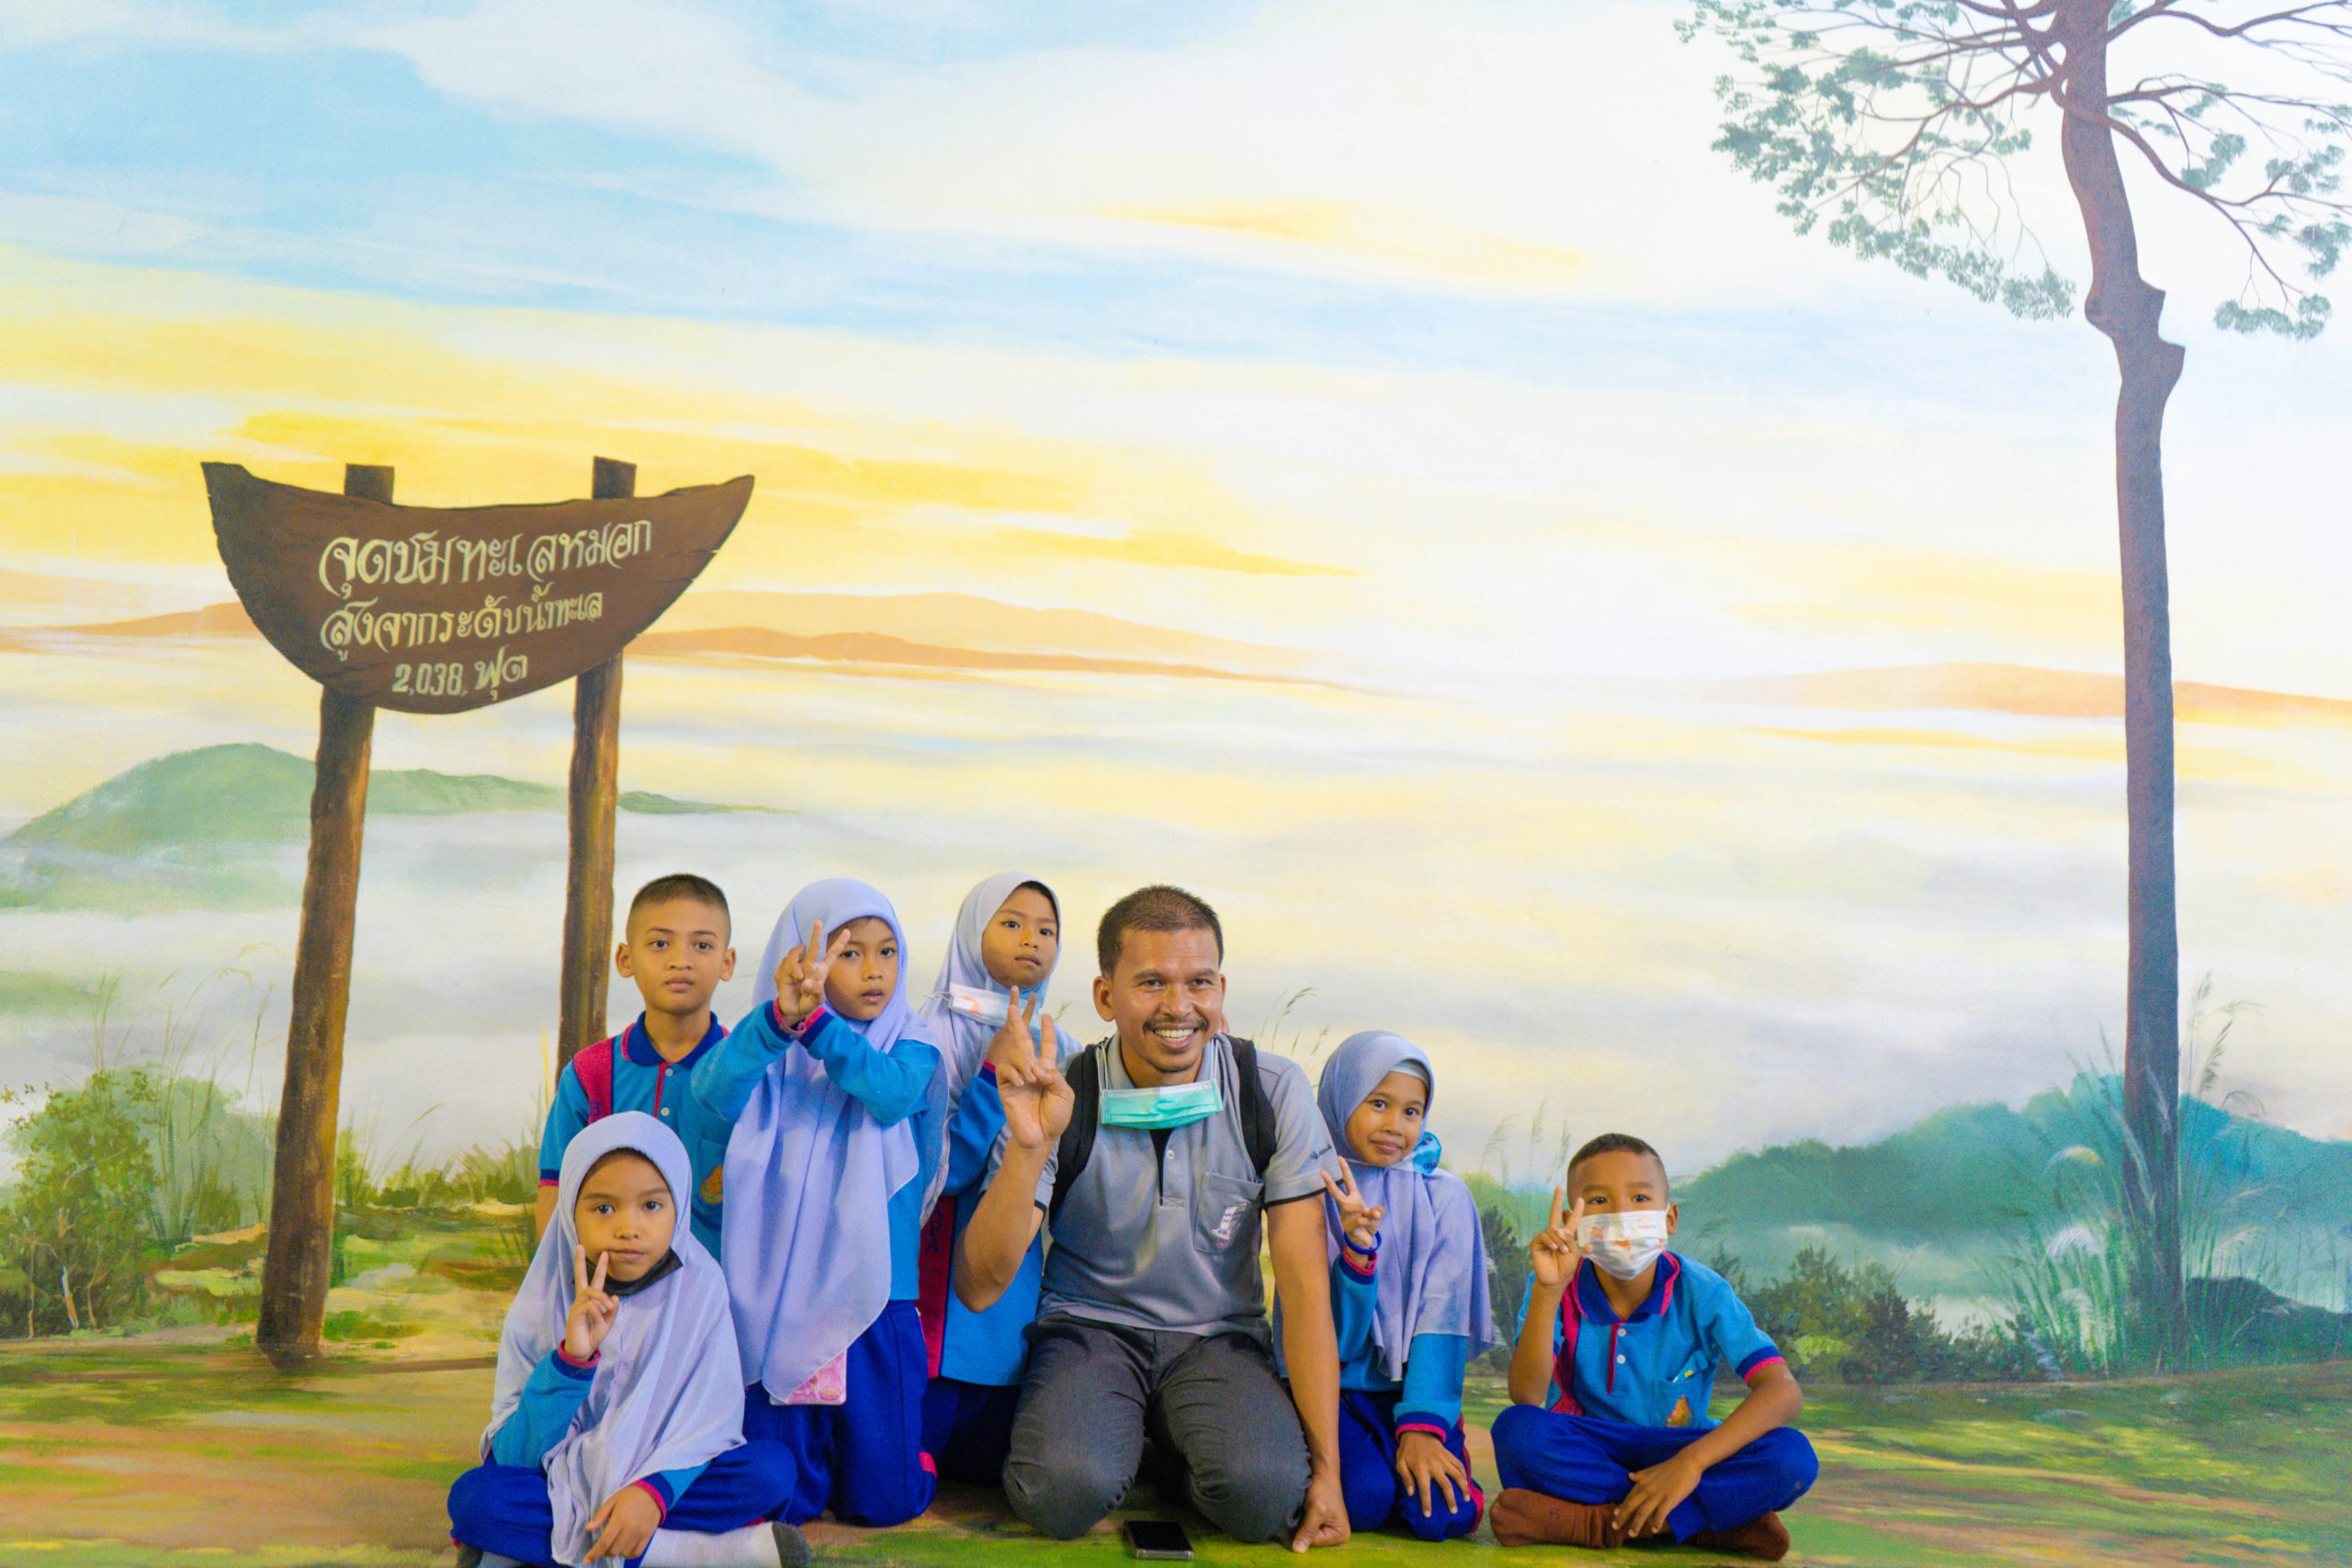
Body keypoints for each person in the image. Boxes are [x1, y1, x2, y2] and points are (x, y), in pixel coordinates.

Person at [955, 884, 1351, 1551]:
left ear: (1220, 989)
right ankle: (1116, 1435)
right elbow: (979, 1285)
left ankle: (1171, 1451)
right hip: (1090, 1330)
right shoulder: (1061, 1090)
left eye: (1199, 982)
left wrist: (1328, 1475)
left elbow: (1305, 1290)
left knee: (1263, 1500)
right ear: (1106, 996)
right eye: (1151, 982)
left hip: (1219, 1339)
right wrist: (1029, 1146)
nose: (1178, 1006)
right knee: (1060, 1495)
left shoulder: (1271, 1090)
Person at [447, 1112, 806, 1568]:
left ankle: (537, 1548)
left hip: (667, 1478)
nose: (628, 1228)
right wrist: (571, 1363)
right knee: (475, 1497)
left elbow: (709, 1426)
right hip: (563, 1483)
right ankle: (693, 1553)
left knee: (771, 1470)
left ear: (678, 1209)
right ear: (570, 1214)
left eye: (651, 1206)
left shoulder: (701, 1286)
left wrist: (652, 1494)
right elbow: (517, 1457)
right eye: (603, 1209)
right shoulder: (542, 1300)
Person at [699, 879, 944, 1529]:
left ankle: (905, 1457)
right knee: (785, 1501)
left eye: (887, 951)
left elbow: (889, 1094)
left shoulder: (914, 1042)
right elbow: (714, 1093)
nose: (875, 970)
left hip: (876, 1293)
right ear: (799, 957)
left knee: (885, 1502)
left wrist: (818, 1028)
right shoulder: (768, 1041)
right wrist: (782, 1022)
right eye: (849, 953)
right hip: (779, 1289)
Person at [1489, 1133, 1818, 1560]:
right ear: (1573, 1221)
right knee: (1517, 1431)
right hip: (1594, 1444)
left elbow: (1783, 1391)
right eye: (1599, 1201)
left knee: (1791, 1458)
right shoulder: (1553, 1284)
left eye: (1640, 1198)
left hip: (1681, 1446)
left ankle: (1595, 1523)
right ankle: (1699, 1524)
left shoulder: (1703, 1291)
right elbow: (1527, 1395)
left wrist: (1690, 1464)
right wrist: (1549, 1291)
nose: (1622, 1214)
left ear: (1670, 1217)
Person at [1295, 1031, 1494, 1541]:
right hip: (1334, 1391)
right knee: (1363, 1502)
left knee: (1446, 1516)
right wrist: (1358, 1255)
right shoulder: (1310, 1190)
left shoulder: (1446, 1197)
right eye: (1378, 1103)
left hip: (1415, 1392)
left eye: (1412, 1111)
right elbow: (1331, 1341)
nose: (1395, 1126)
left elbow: (1443, 1316)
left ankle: (1414, 1445)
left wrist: (1423, 1429)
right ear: (1340, 1100)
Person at [911, 874, 1066, 1486]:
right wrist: (992, 1071)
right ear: (973, 930)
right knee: (916, 1452)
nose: (1032, 939)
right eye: (1012, 923)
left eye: (1047, 930)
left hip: (1002, 1298)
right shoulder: (926, 1035)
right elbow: (941, 1173)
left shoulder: (1060, 1046)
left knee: (990, 1465)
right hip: (931, 1288)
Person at [536, 874, 737, 1256]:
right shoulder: (590, 1074)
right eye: (660, 944)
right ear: (625, 960)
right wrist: (572, 1279)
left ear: (727, 963)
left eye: (702, 945)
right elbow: (555, 1190)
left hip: (724, 1289)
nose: (680, 960)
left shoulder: (745, 1073)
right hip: (610, 1288)